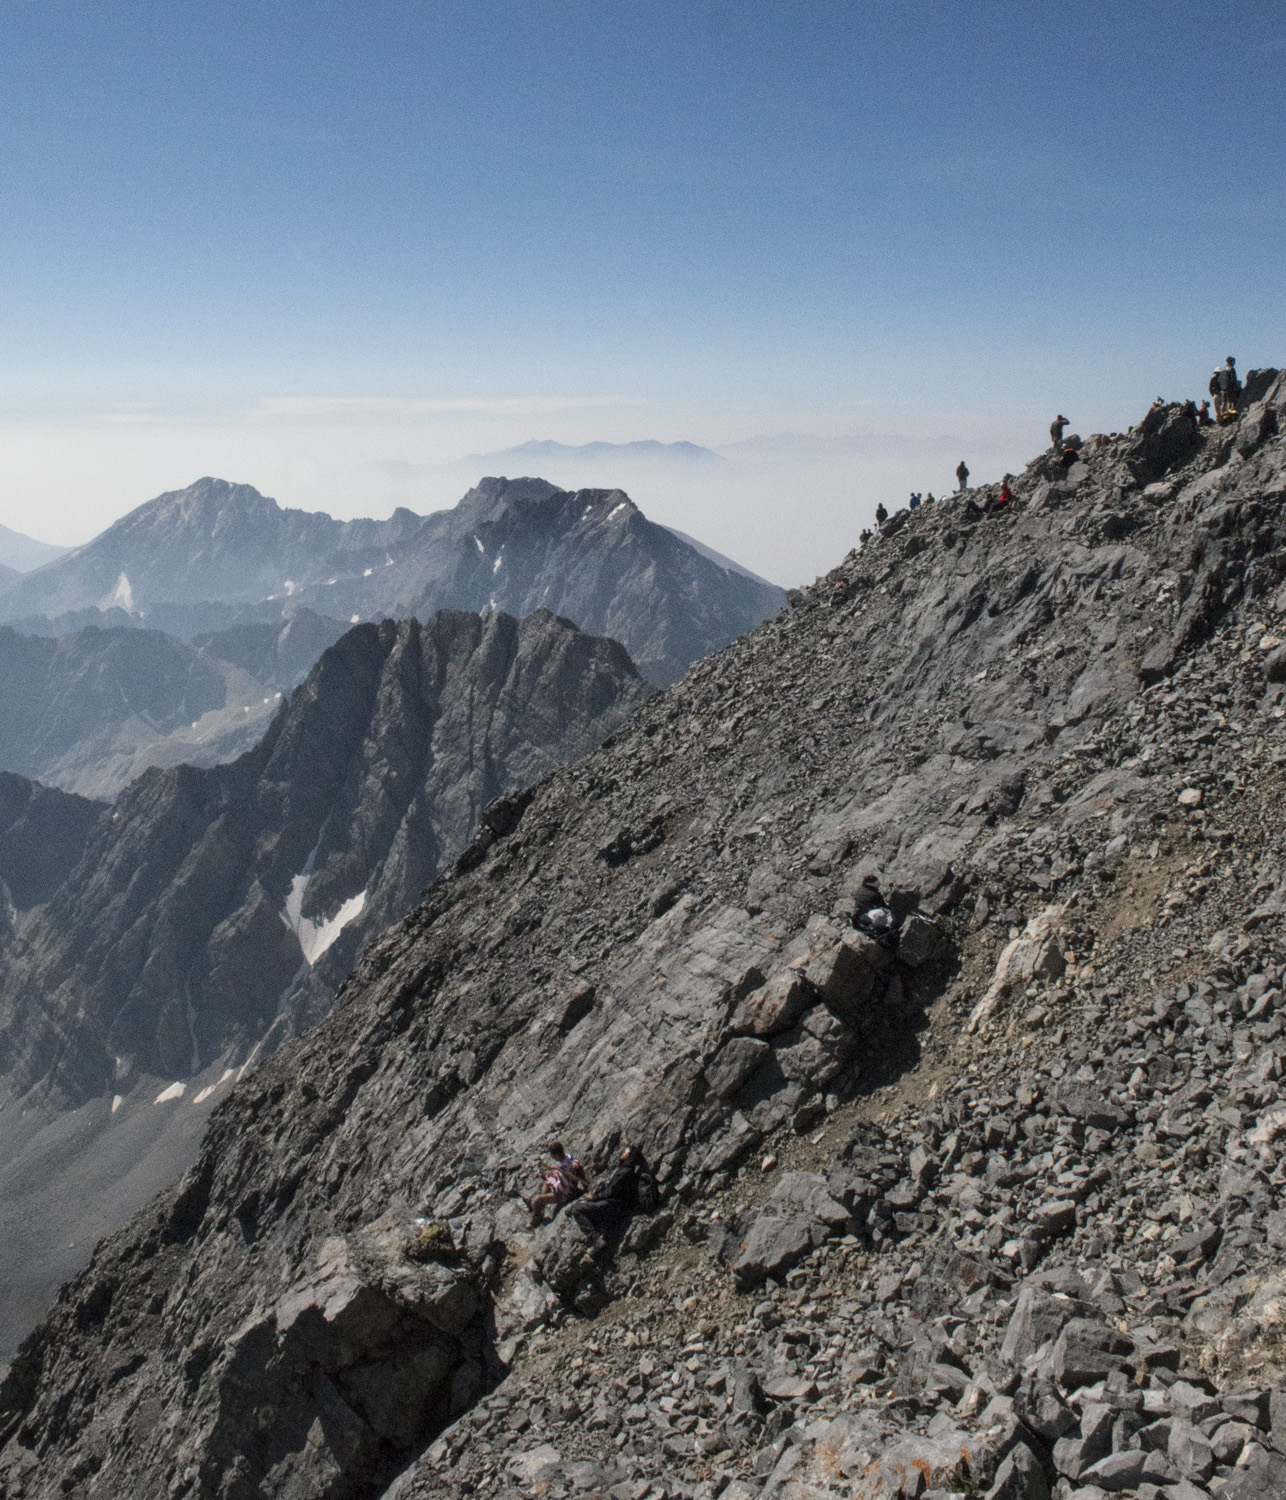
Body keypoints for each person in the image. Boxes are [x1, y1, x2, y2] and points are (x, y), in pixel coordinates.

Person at [569, 1144, 658, 1236]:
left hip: (615, 1207)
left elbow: (611, 1192)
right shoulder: (629, 1170)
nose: (622, 1153)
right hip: (619, 1207)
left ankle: (595, 1238)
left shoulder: (624, 1171)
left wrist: (593, 1197)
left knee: (577, 1209)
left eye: (625, 1152)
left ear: (629, 1155)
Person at [529, 1140, 588, 1226]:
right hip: (568, 1184)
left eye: (553, 1155)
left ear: (556, 1155)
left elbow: (560, 1188)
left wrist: (546, 1178)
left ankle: (536, 1218)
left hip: (566, 1194)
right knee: (547, 1182)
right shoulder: (569, 1157)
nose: (553, 1157)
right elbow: (562, 1173)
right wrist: (550, 1175)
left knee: (538, 1199)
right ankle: (542, 1207)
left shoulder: (563, 1168)